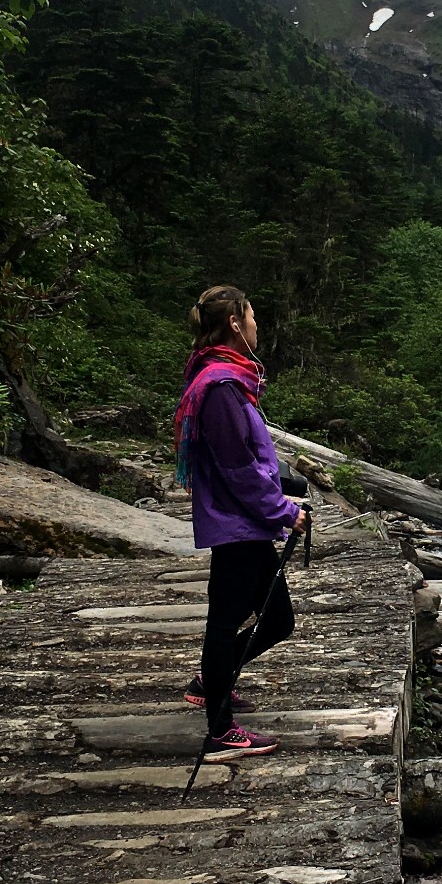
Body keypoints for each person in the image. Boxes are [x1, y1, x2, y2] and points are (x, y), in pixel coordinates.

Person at [173, 284, 307, 759]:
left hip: (242, 522)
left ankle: (212, 683)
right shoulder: (222, 387)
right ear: (235, 323)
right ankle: (221, 729)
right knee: (229, 621)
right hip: (239, 524)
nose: (256, 324)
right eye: (252, 316)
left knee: (275, 619)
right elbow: (238, 466)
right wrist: (284, 512)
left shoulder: (224, 379)